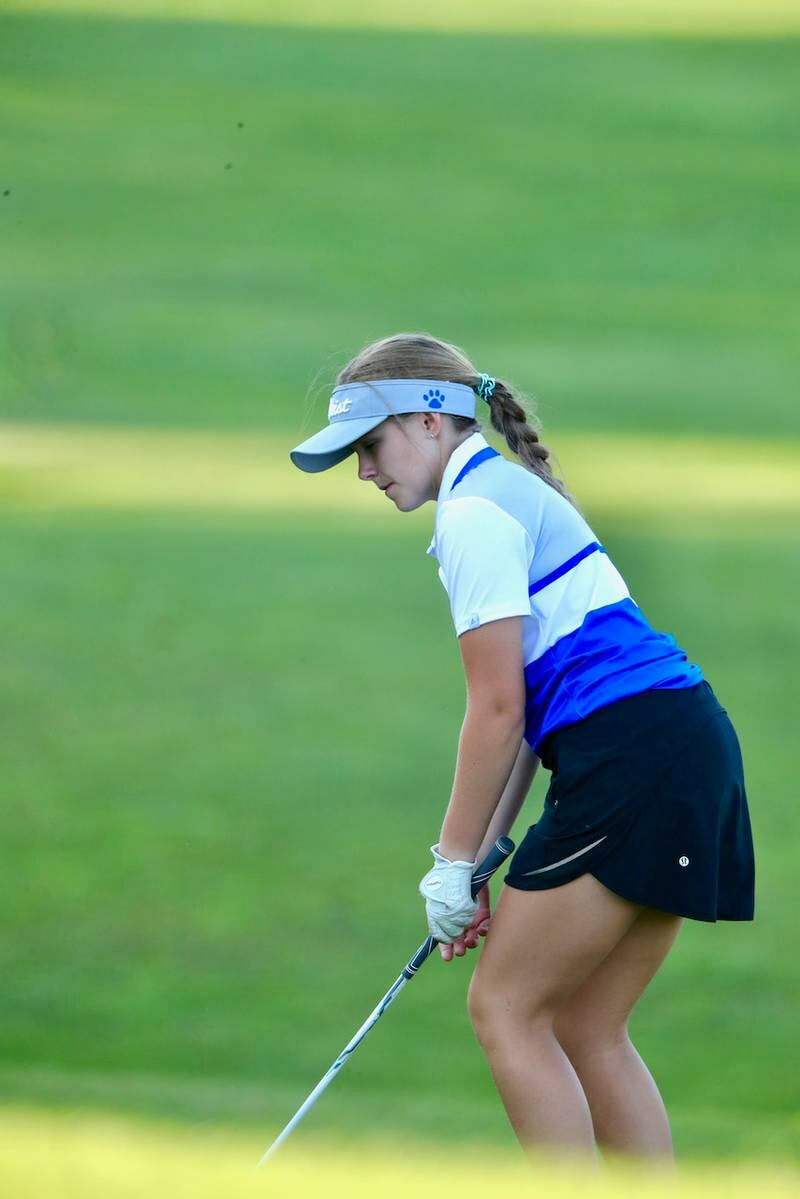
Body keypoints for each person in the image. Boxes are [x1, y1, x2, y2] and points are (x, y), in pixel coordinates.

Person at [289, 332, 755, 1164]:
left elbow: (497, 709)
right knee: (585, 1022)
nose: (364, 471)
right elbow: (533, 723)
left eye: (370, 445)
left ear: (432, 421)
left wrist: (452, 856)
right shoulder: (505, 492)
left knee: (504, 1008)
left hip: (633, 753)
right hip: (683, 744)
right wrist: (478, 863)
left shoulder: (474, 515)